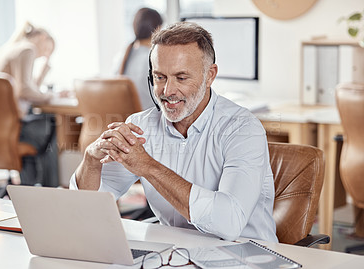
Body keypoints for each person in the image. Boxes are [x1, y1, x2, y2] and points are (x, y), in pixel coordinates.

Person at [70, 22, 278, 242]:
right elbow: (87, 209)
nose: (167, 91)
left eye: (181, 78)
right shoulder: (142, 126)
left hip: (246, 257)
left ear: (210, 75)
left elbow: (229, 223)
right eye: (160, 77)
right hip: (175, 256)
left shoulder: (243, 128)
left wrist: (149, 167)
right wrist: (91, 161)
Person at [0, 22, 59, 187]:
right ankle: (51, 189)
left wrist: (43, 71)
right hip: (12, 127)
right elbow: (25, 91)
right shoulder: (27, 49)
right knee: (52, 123)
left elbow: (26, 88)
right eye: (48, 49)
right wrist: (50, 96)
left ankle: (29, 185)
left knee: (39, 126)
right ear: (43, 38)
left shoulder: (9, 48)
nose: (45, 55)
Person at [115, 7, 163, 110]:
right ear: (158, 29)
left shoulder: (122, 56)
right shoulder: (155, 58)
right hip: (148, 119)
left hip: (125, 120)